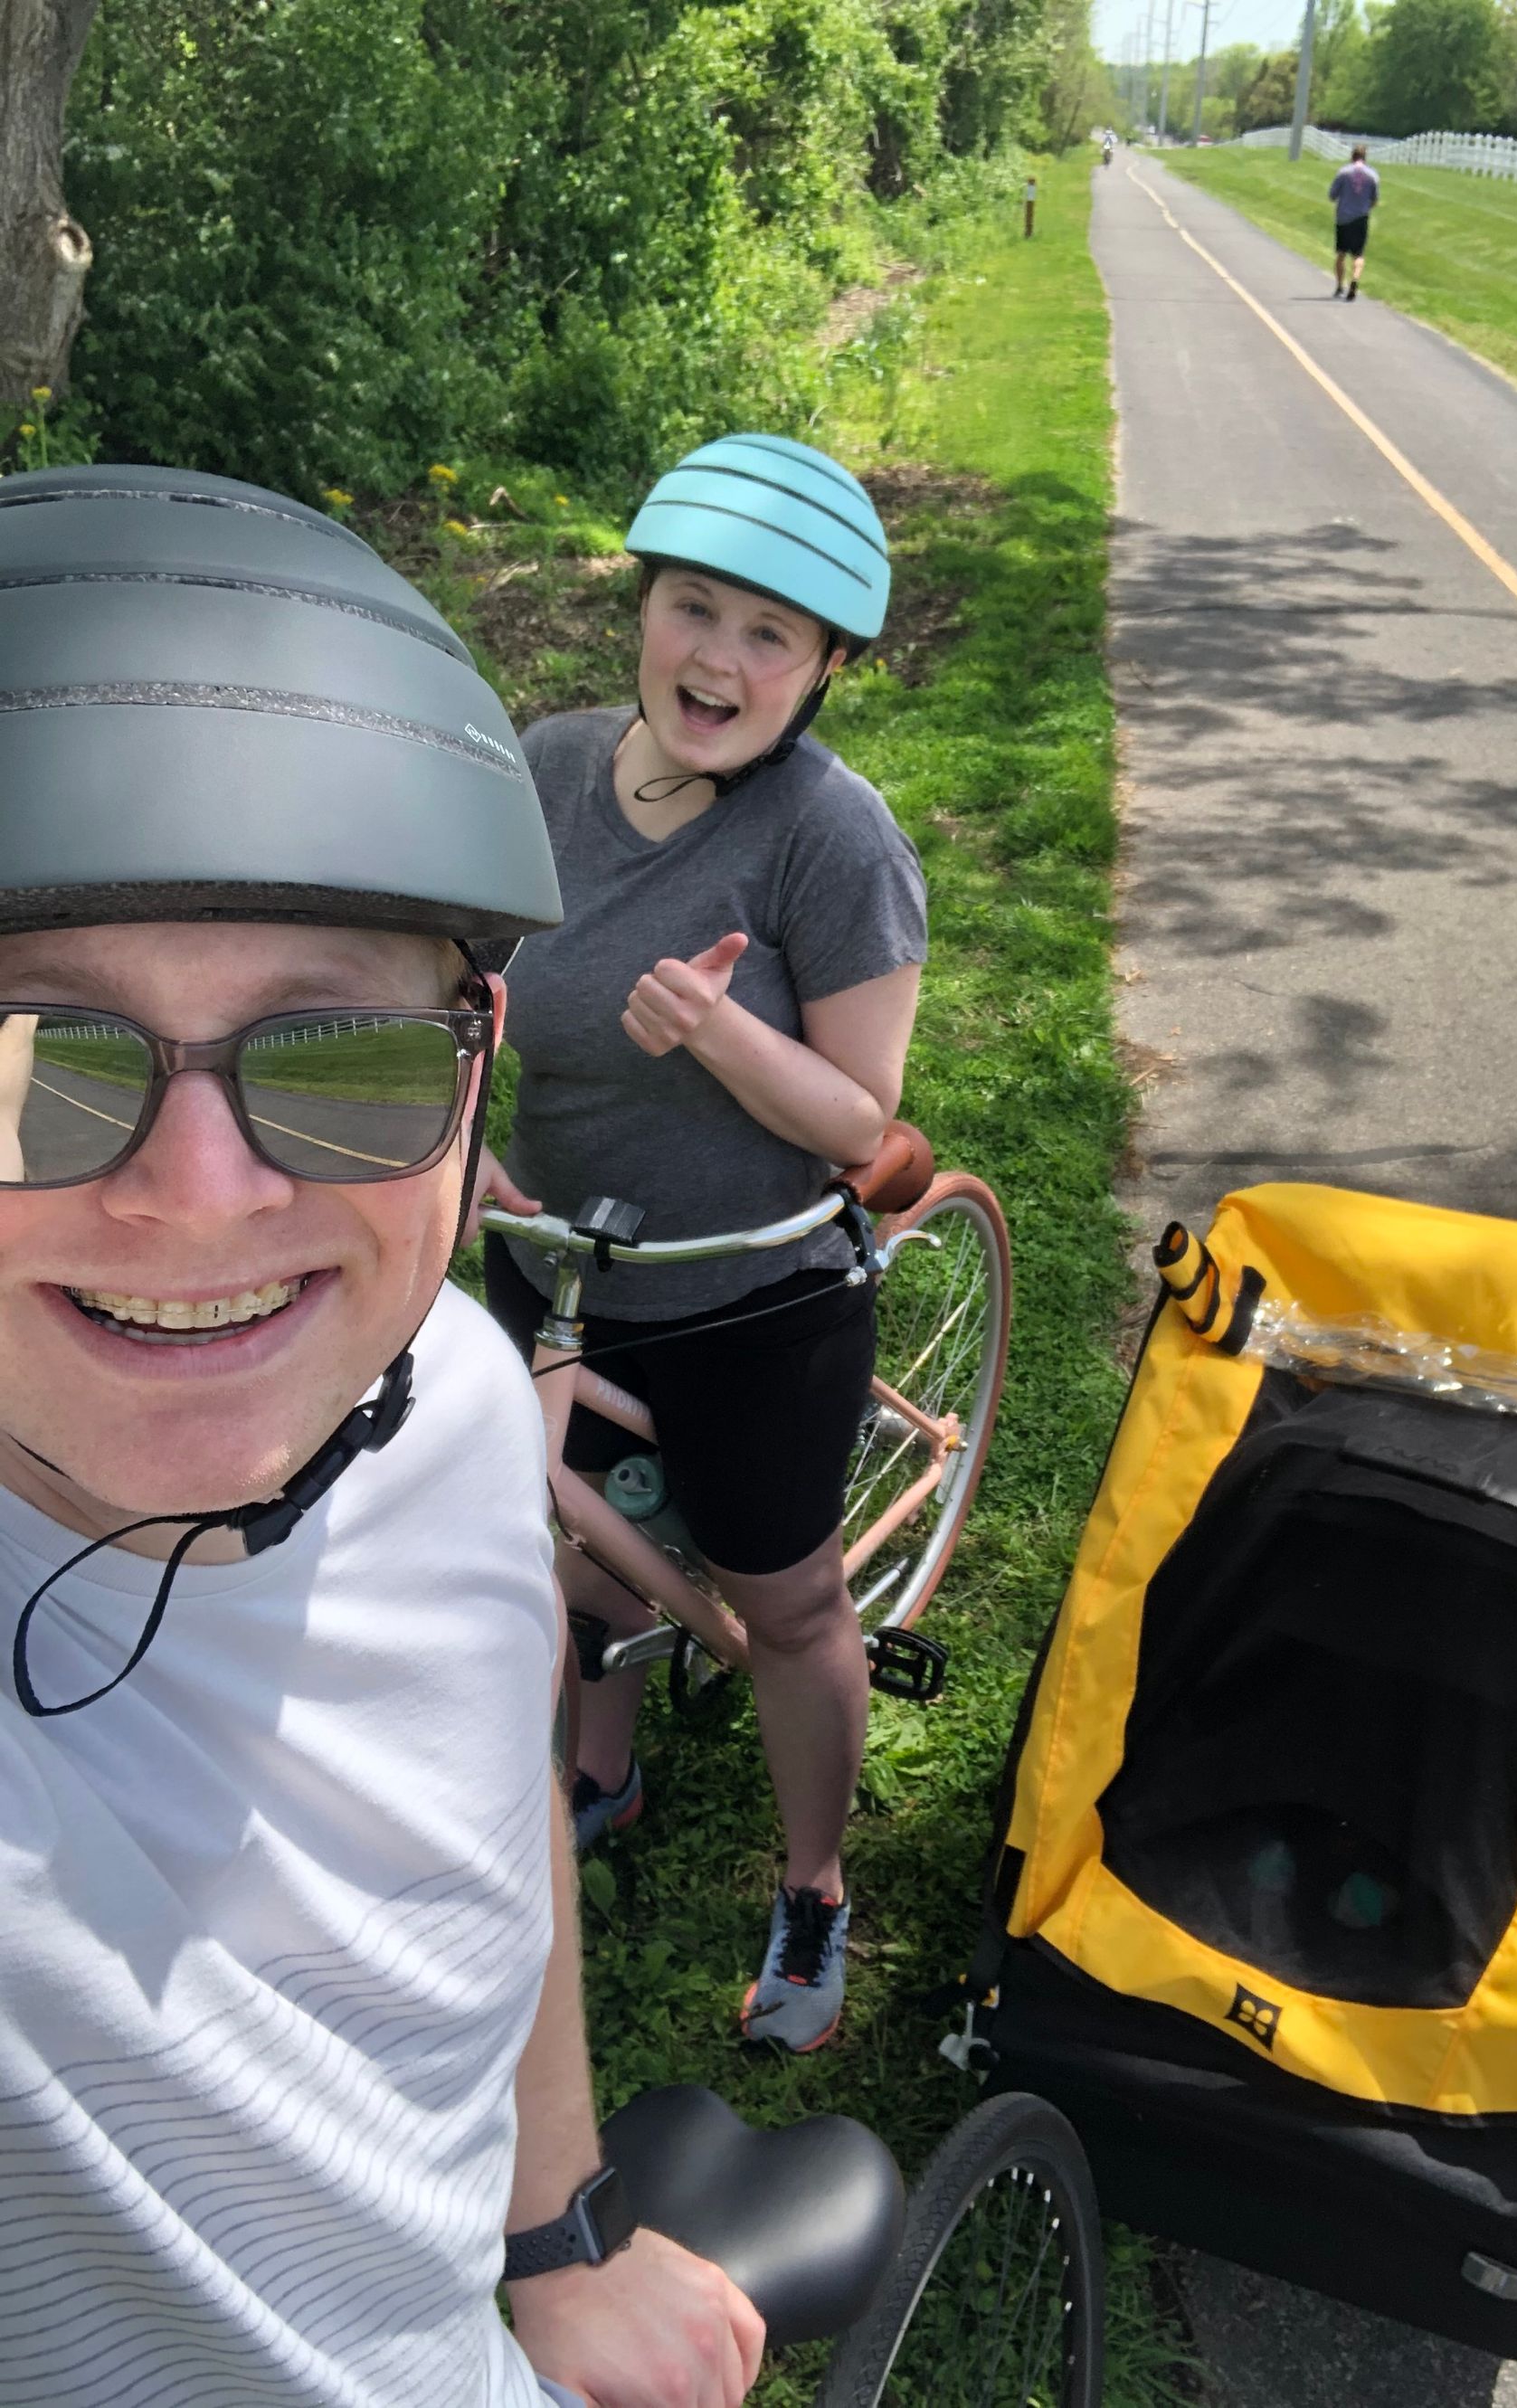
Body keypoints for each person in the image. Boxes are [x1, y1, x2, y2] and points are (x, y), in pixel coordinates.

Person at [0, 466, 763, 2408]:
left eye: (337, 1059)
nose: (200, 1198)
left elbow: (498, 1804)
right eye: (29, 1060)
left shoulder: (452, 1397)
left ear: (473, 1065)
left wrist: (557, 2225)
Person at [475, 433, 926, 2057]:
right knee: (578, 1538)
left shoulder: (831, 837)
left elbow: (866, 1124)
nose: (718, 659)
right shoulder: (544, 769)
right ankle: (602, 1769)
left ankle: (814, 1885)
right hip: (555, 1253)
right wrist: (462, 1141)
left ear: (823, 669)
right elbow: (460, 982)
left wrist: (725, 1033)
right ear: (643, 606)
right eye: (693, 607)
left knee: (787, 1605)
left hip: (754, 1291)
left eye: (769, 634)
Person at [1329, 142, 1380, 300]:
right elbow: (1374, 200)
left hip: (1343, 218)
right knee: (1358, 254)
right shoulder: (1372, 175)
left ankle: (1339, 286)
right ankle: (1355, 279)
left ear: (1352, 156)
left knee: (1341, 254)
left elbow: (1332, 195)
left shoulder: (1343, 173)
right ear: (1365, 157)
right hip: (1361, 218)